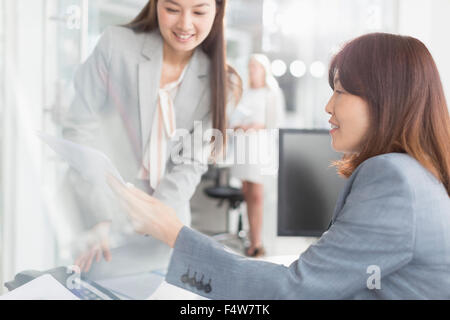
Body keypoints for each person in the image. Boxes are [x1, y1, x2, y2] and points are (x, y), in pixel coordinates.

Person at [108, 32, 450, 299]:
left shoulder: (393, 178)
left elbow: (293, 291)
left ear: (385, 99)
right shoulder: (418, 175)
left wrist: (172, 231)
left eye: (342, 91)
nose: (328, 106)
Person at [62, 0, 241, 275]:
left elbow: (190, 164)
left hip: (163, 227)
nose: (184, 24)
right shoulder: (116, 46)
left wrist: (149, 220)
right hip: (98, 219)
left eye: (199, 11)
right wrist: (104, 215)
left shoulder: (222, 83)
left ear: (217, 11)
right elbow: (78, 130)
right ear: (156, 5)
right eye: (172, 9)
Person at [229, 54, 285, 257]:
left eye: (256, 66)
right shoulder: (243, 92)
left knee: (257, 195)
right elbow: (231, 119)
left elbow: (275, 121)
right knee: (246, 193)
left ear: (264, 69)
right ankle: (251, 240)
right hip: (243, 146)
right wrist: (238, 126)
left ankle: (258, 242)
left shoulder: (271, 92)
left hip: (260, 146)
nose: (252, 70)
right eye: (250, 66)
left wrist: (256, 126)